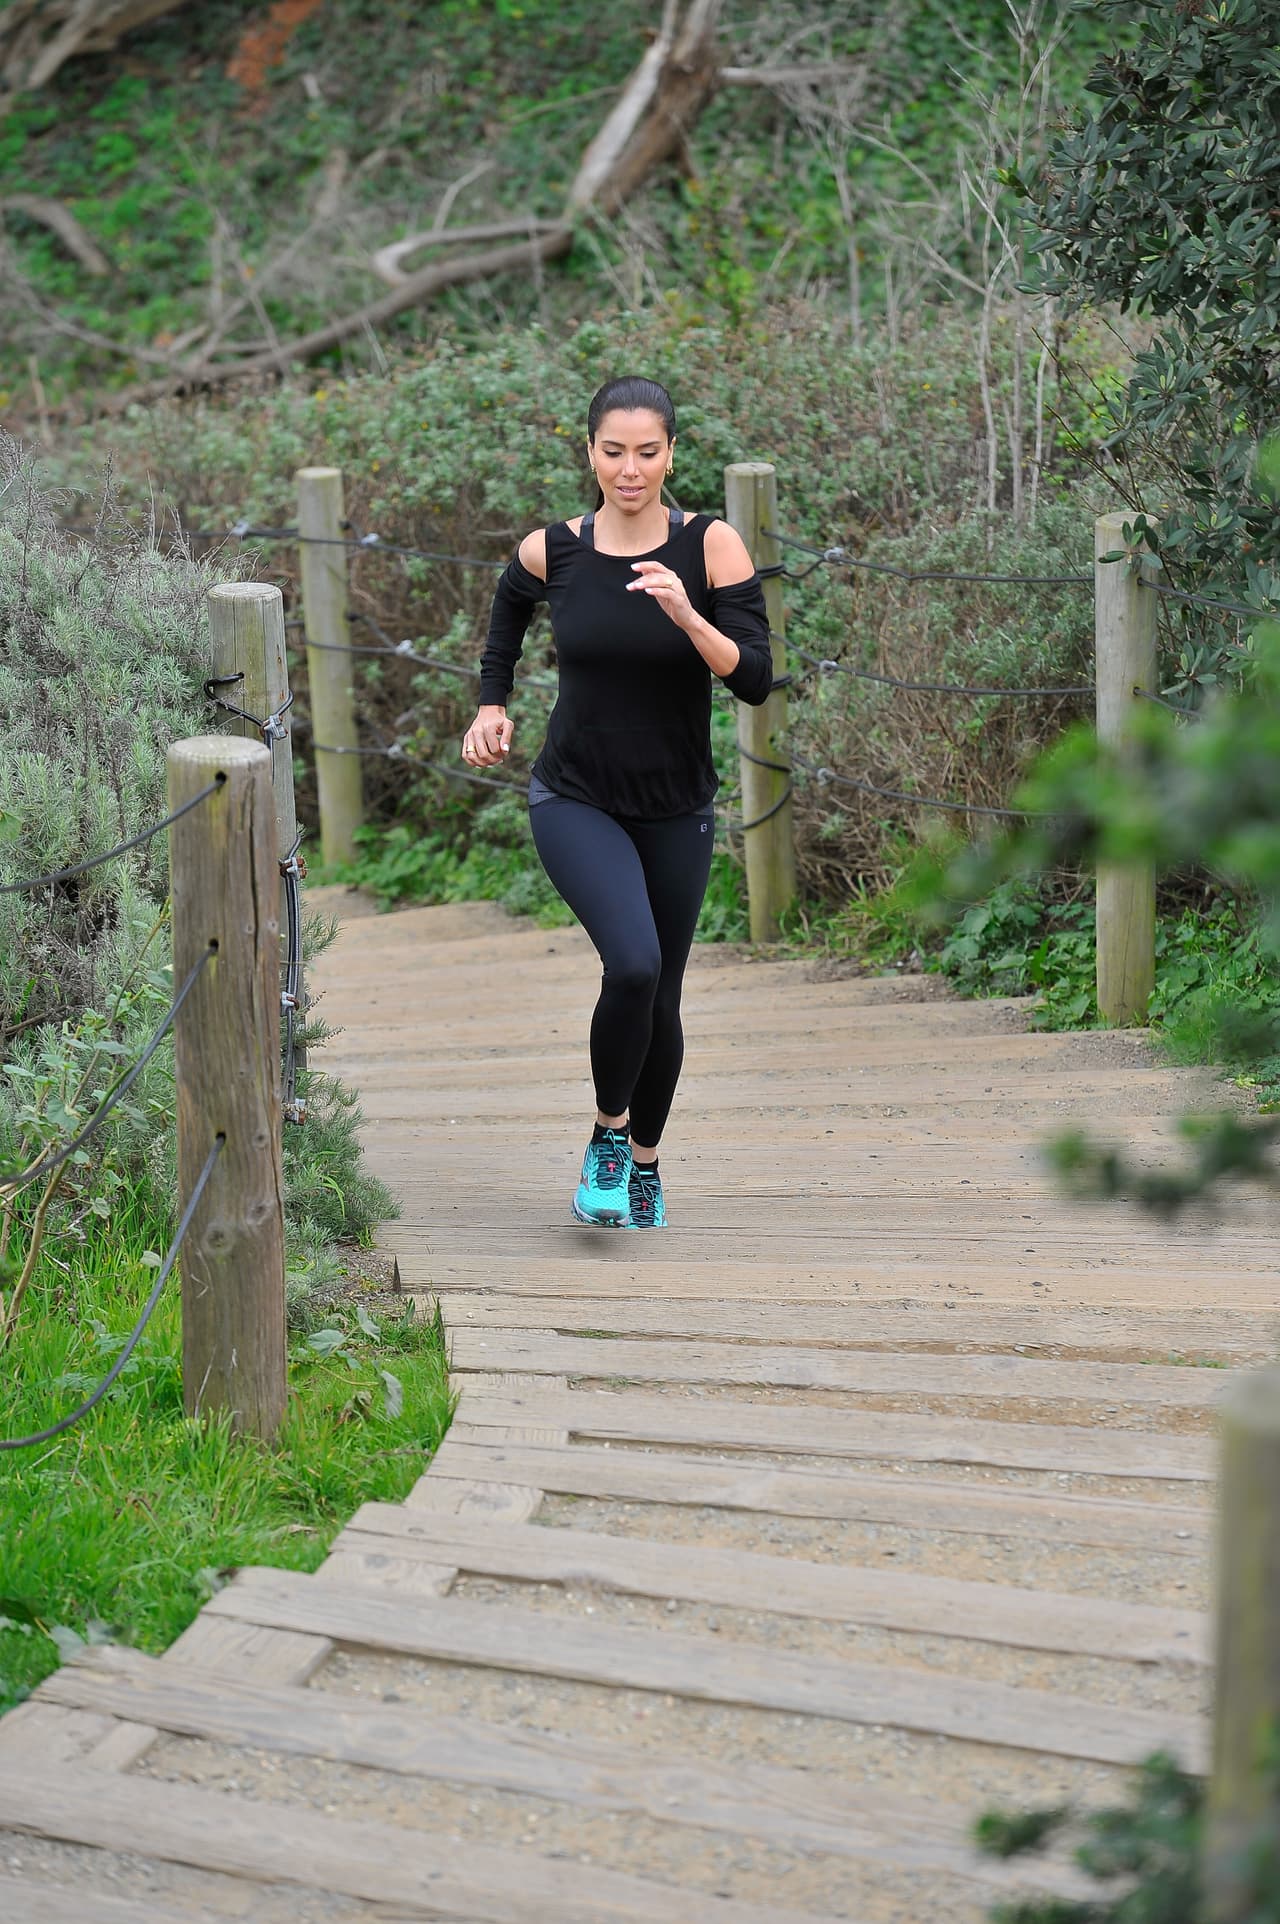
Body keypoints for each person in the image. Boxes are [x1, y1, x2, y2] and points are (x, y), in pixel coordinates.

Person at [463, 375, 773, 1228]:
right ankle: (608, 1134)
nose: (629, 469)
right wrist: (493, 705)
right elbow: (506, 618)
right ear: (589, 452)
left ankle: (644, 1165)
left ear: (672, 453)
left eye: (647, 452)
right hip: (576, 795)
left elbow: (755, 679)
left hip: (677, 805)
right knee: (631, 964)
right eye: (613, 452)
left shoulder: (712, 547)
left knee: (661, 993)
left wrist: (689, 616)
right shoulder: (552, 550)